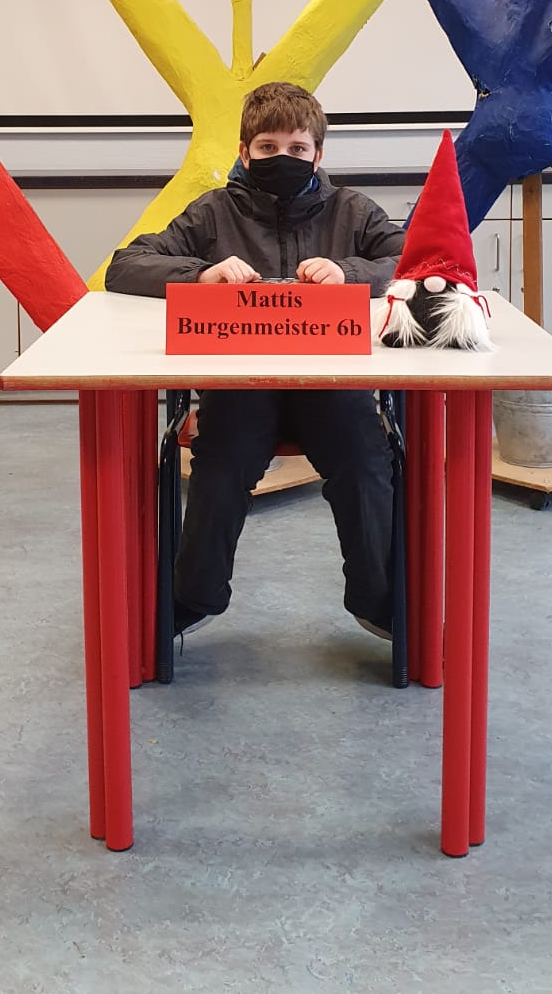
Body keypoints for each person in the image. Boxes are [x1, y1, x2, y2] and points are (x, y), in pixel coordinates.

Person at [105, 81, 405, 640]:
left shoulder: (352, 210)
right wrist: (201, 275)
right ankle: (193, 598)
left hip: (331, 380)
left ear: (318, 154)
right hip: (240, 382)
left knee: (367, 464)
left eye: (296, 148)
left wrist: (349, 272)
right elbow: (126, 265)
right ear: (244, 152)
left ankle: (381, 603)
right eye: (268, 147)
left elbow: (415, 259)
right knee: (220, 468)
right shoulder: (213, 212)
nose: (282, 158)